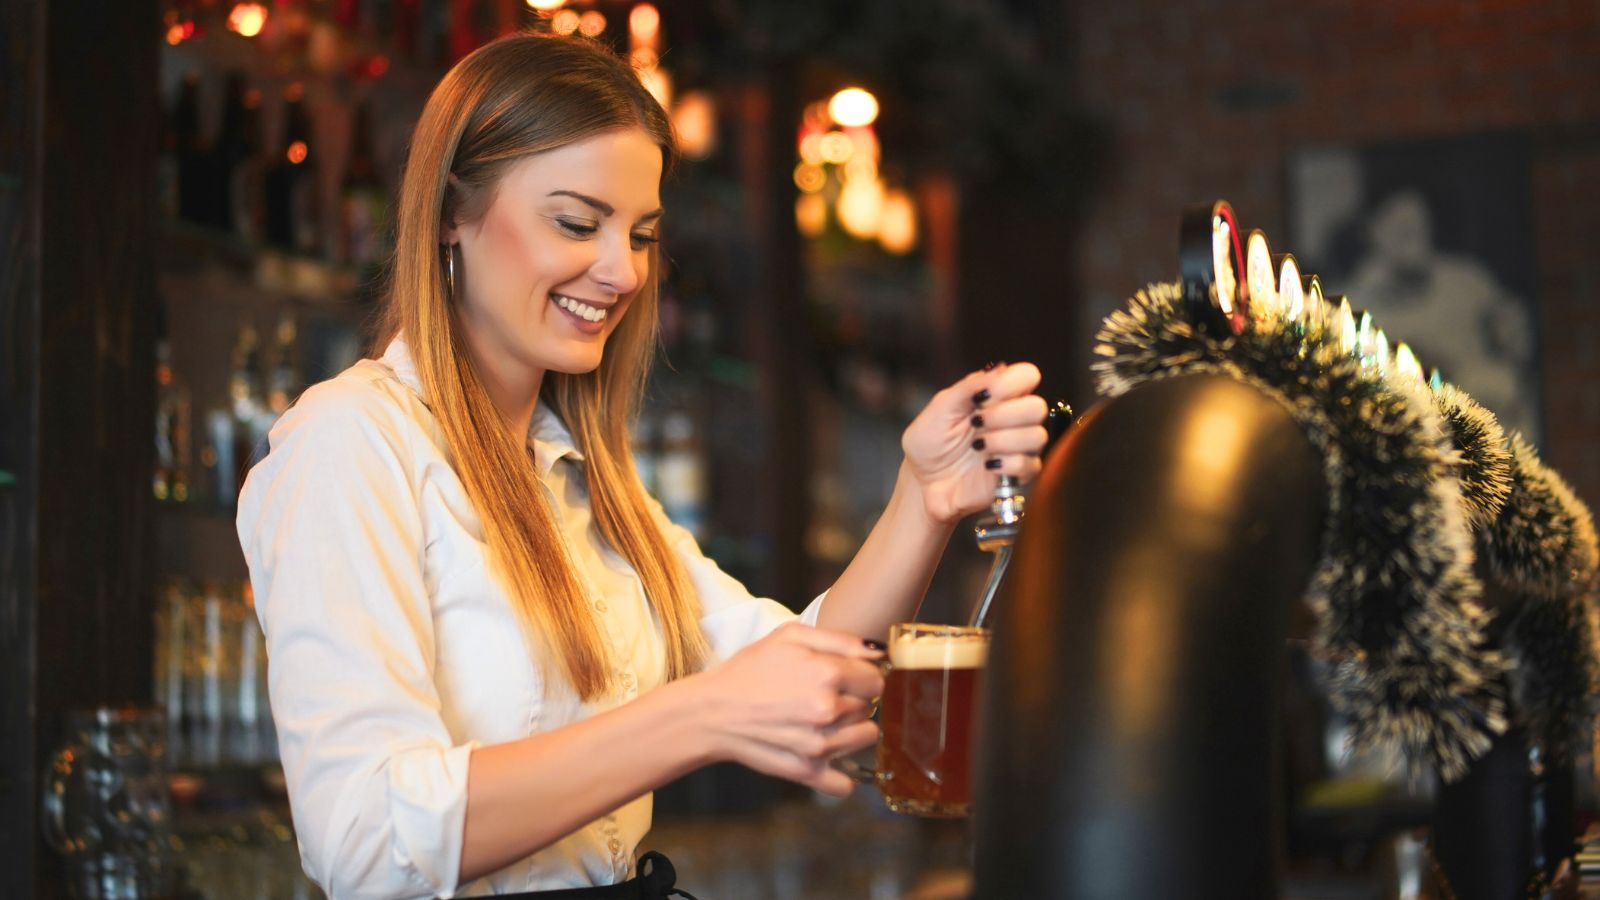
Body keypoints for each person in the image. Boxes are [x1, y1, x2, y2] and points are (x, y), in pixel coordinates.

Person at [236, 31, 1047, 900]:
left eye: (644, 233)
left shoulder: (584, 479)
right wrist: (696, 716)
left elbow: (809, 674)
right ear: (450, 215)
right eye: (577, 223)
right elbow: (362, 839)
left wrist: (920, 502)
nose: (622, 272)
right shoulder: (351, 442)